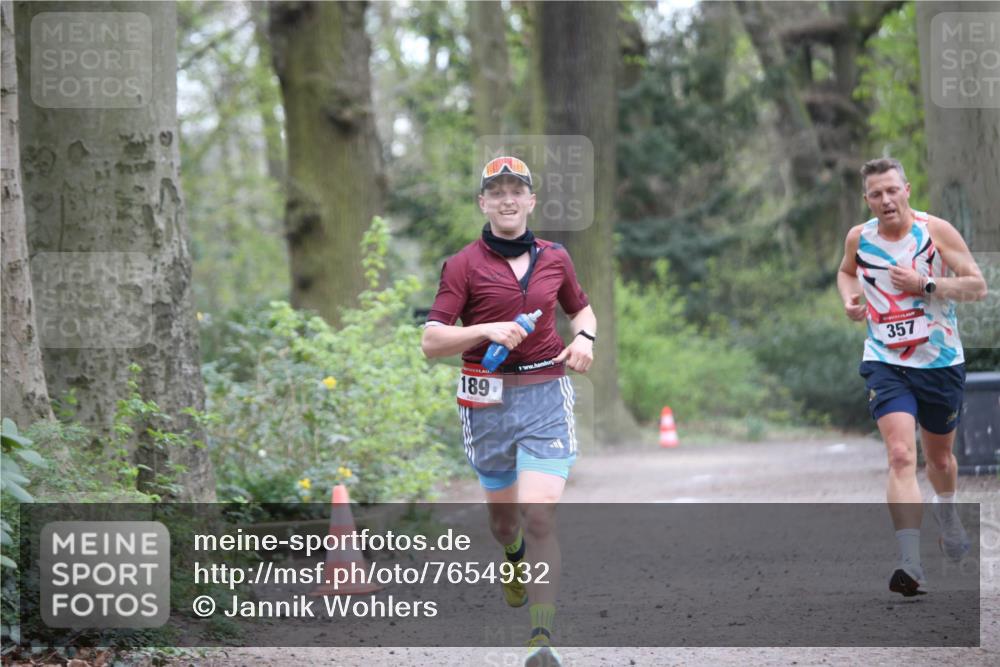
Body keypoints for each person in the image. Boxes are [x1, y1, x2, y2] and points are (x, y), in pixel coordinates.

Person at [422, 156, 595, 666]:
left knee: (540, 513)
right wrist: (485, 330)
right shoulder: (462, 264)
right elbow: (431, 341)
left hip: (545, 389)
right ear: (483, 202)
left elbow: (580, 309)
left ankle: (541, 639)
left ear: (531, 200)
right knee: (505, 525)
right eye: (496, 191)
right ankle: (512, 554)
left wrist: (585, 336)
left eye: (515, 190)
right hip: (487, 398)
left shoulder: (555, 257)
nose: (507, 199)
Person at [836, 157, 987, 597]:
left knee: (939, 461)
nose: (885, 200)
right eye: (876, 194)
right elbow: (846, 272)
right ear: (867, 199)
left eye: (891, 190)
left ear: (906, 190)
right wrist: (850, 299)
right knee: (901, 455)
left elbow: (976, 285)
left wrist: (926, 285)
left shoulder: (934, 232)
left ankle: (948, 511)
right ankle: (910, 562)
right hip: (886, 360)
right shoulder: (859, 238)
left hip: (939, 362)